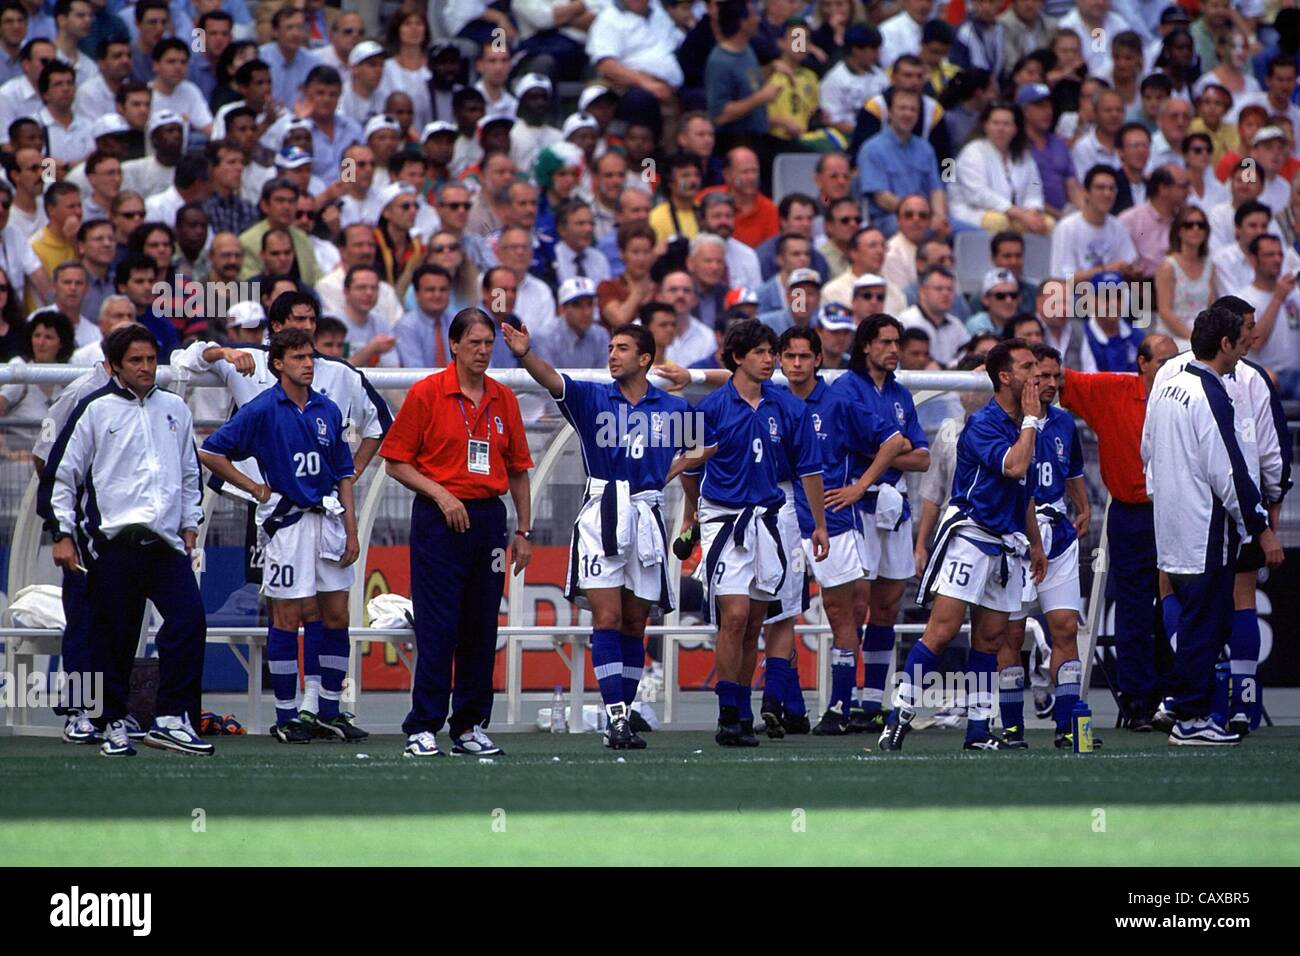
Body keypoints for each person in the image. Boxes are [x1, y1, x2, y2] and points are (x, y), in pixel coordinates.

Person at [502, 317, 685, 748]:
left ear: (645, 359)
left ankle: (622, 713)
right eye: (610, 348)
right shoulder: (590, 397)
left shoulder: (673, 409)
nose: (612, 355)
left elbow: (704, 445)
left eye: (622, 348)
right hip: (603, 511)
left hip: (645, 511)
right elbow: (550, 379)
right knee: (608, 616)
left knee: (636, 620)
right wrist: (525, 353)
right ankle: (616, 718)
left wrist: (666, 474)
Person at [37, 324, 211, 757]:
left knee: (190, 622)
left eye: (151, 359)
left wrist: (190, 524)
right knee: (113, 637)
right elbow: (62, 477)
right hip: (112, 543)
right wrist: (62, 534)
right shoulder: (94, 410)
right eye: (136, 360)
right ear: (115, 366)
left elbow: (190, 474)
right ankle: (111, 721)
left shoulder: (175, 408)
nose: (146, 368)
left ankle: (172, 718)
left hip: (167, 543)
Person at [664, 320, 828, 747]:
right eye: (761, 352)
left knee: (756, 619)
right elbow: (688, 469)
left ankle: (742, 712)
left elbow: (809, 469)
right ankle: (726, 714)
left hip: (769, 521)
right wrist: (691, 518)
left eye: (771, 351)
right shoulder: (706, 409)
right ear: (738, 357)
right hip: (724, 519)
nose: (770, 359)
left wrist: (819, 525)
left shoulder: (790, 407)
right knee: (734, 616)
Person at [380, 308, 533, 758]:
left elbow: (520, 470)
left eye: (489, 343)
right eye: (475, 343)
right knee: (438, 624)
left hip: (488, 519)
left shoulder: (504, 398)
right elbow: (395, 461)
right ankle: (422, 726)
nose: (483, 351)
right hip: (439, 518)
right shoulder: (427, 393)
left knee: (482, 626)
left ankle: (469, 725)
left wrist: (523, 529)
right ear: (454, 345)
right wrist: (442, 495)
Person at [882, 338, 1047, 752]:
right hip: (971, 535)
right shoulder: (985, 423)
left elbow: (1025, 491)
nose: (1037, 376)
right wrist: (1029, 422)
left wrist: (1036, 544)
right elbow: (1015, 466)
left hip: (1007, 540)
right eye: (1028, 368)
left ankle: (977, 730)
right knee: (942, 629)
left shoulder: (1028, 423)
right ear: (1005, 377)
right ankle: (898, 714)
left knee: (991, 638)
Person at [199, 328, 363, 743]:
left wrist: (351, 528)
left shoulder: (327, 408)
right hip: (287, 526)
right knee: (289, 617)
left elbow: (344, 471)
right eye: (298, 358)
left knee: (336, 615)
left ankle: (328, 710)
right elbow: (211, 451)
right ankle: (287, 715)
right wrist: (253, 487)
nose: (308, 363)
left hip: (327, 521)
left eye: (311, 356)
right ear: (278, 364)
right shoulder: (262, 408)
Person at [1150, 295, 1291, 737]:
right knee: (1211, 617)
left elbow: (1147, 447)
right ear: (1226, 342)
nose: (1250, 341)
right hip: (1210, 524)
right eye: (1243, 334)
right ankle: (1195, 716)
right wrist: (1262, 527)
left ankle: (1186, 707)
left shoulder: (1166, 380)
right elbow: (1230, 468)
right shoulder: (1216, 389)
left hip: (1172, 518)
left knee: (1192, 614)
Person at [1059, 332, 1180, 726]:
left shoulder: (1188, 393)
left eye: (1175, 361)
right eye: (1163, 362)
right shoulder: (1111, 390)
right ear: (1142, 363)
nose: (1171, 369)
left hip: (1178, 513)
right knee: (1133, 611)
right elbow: (1055, 377)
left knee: (1178, 606)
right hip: (1133, 514)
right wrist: (993, 366)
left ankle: (1177, 695)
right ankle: (1138, 701)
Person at [829, 315, 931, 730]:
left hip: (894, 507)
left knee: (887, 606)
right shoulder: (845, 390)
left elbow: (921, 457)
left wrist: (886, 453)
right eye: (885, 342)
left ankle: (871, 700)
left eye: (897, 342)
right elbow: (860, 447)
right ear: (866, 346)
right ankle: (840, 702)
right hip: (856, 504)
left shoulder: (902, 395)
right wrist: (882, 460)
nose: (893, 349)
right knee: (854, 604)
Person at [998, 345, 1092, 748]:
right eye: (1042, 376)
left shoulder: (1066, 423)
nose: (1050, 384)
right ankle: (1012, 727)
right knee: (1010, 636)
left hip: (1059, 535)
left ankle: (1066, 723)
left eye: (1056, 377)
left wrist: (1084, 505)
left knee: (1065, 627)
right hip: (1016, 535)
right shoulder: (1006, 421)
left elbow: (1071, 470)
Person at [951, 101, 1048, 235]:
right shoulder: (973, 152)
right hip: (974, 213)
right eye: (995, 123)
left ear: (1015, 128)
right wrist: (1018, 214)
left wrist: (1033, 210)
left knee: (1047, 224)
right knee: (999, 222)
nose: (1001, 128)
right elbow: (978, 194)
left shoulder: (1024, 156)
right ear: (986, 125)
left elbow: (1034, 186)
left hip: (1016, 215)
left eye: (1006, 124)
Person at [1154, 205, 1213, 347]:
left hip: (1202, 335)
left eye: (1201, 225)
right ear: (1179, 230)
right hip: (1173, 338)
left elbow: (1211, 306)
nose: (1196, 229)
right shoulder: (1168, 266)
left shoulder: (1209, 264)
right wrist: (1193, 338)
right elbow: (1165, 311)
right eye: (1189, 225)